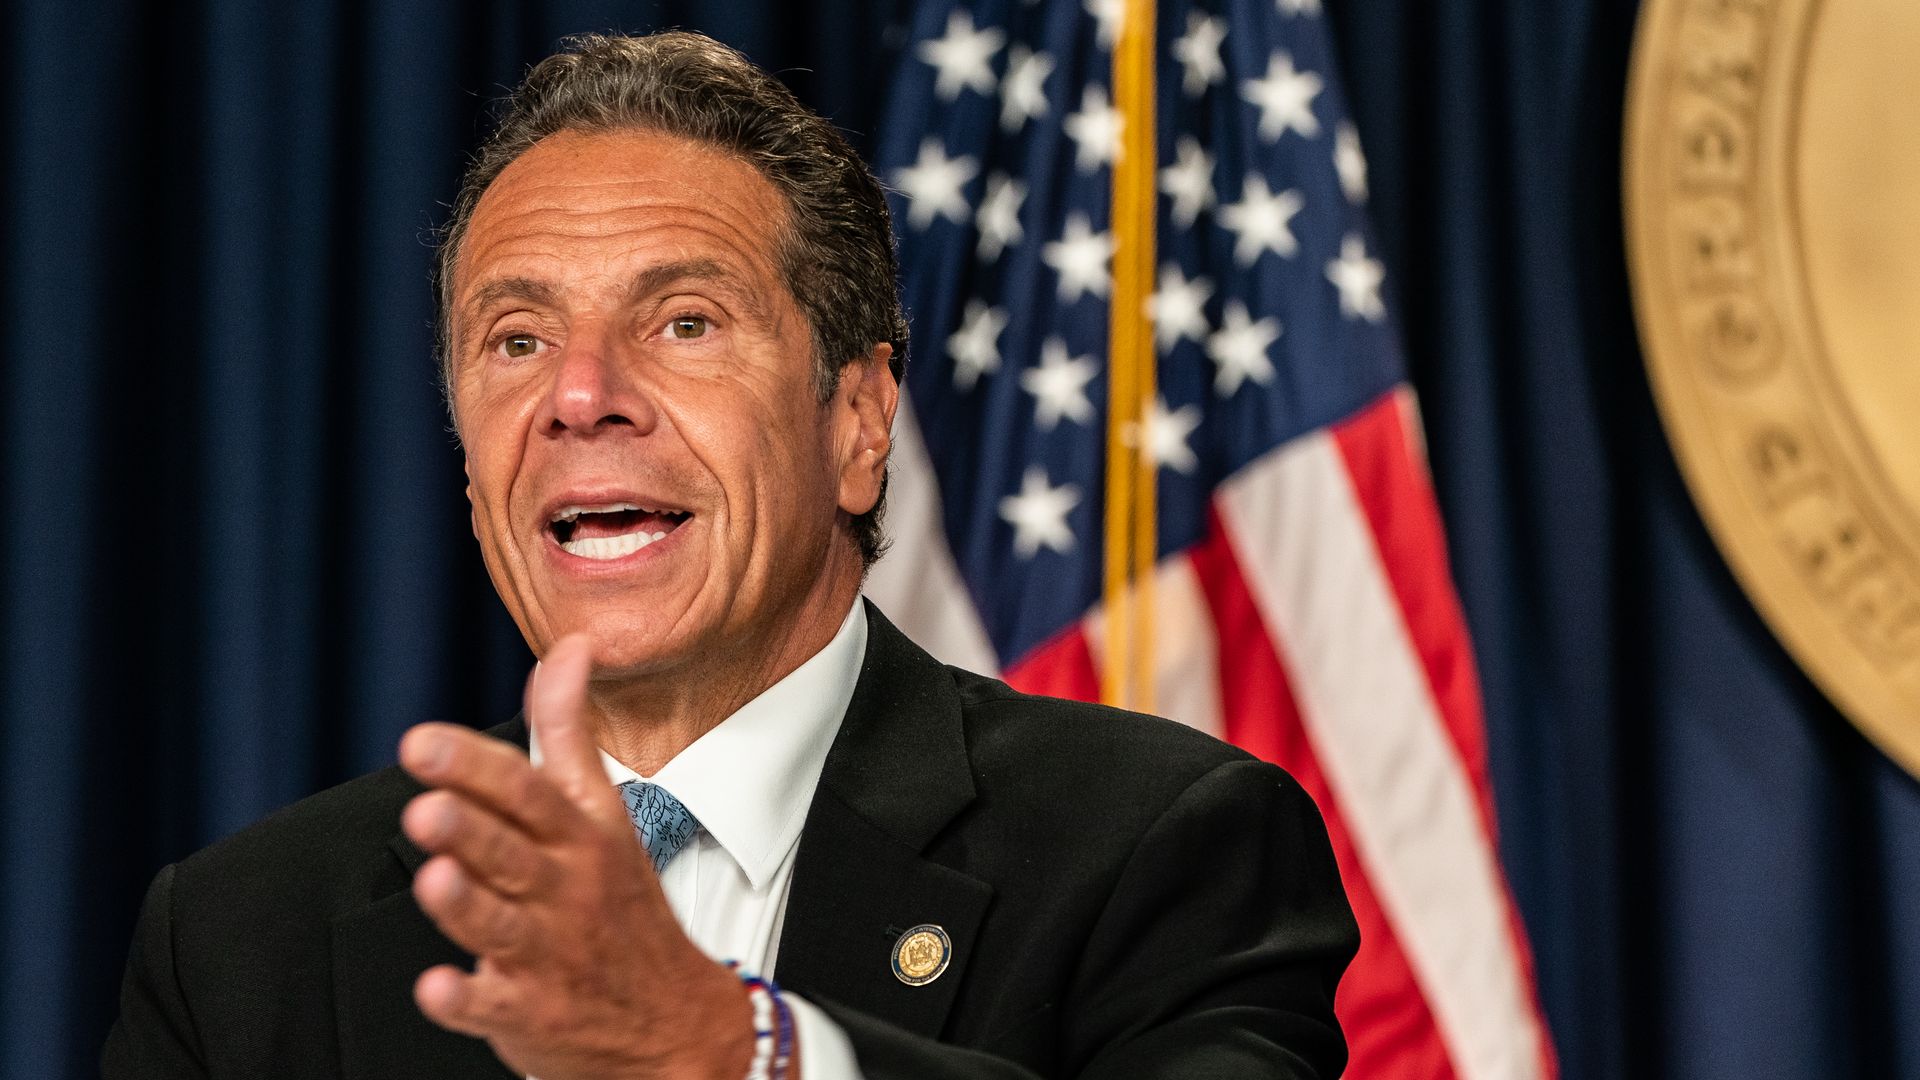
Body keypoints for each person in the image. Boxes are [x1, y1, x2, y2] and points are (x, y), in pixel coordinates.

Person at [101, 30, 1357, 1080]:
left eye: (685, 321)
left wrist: (730, 1050)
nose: (582, 396)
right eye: (518, 339)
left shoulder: (1164, 849)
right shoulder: (239, 937)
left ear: (859, 425)